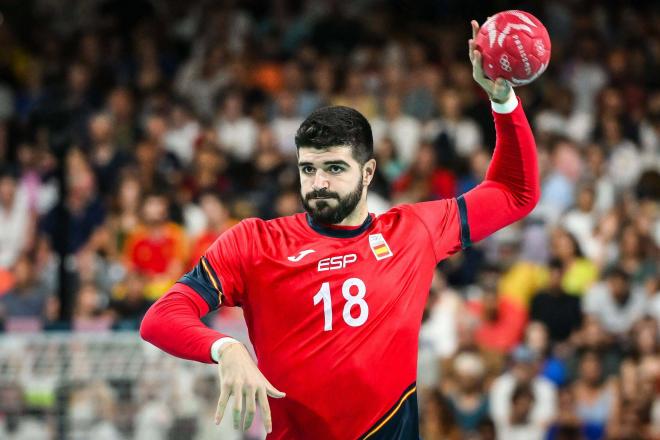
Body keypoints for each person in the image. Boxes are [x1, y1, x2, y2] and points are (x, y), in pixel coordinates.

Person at [140, 20, 540, 439]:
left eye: (334, 168)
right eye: (307, 169)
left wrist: (503, 102)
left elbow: (515, 192)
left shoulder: (413, 231)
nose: (318, 183)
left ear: (368, 172)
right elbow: (160, 318)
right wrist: (226, 348)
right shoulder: (256, 242)